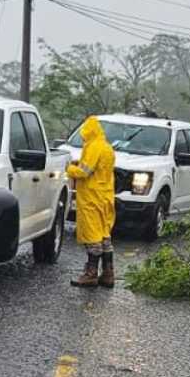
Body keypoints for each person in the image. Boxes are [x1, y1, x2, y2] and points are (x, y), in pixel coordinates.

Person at [65, 115, 117, 288]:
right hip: (105, 196)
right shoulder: (107, 147)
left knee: (92, 235)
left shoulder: (94, 146)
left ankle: (91, 274)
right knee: (104, 235)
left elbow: (84, 171)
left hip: (91, 196)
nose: (83, 136)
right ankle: (108, 274)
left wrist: (69, 168)